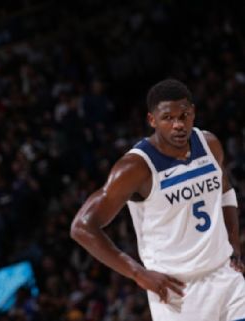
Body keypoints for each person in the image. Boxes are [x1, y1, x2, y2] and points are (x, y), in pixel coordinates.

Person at [70, 79, 245, 320]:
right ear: (152, 120)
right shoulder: (135, 167)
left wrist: (234, 241)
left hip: (226, 277)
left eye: (184, 115)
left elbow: (225, 191)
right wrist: (137, 274)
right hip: (178, 291)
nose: (178, 125)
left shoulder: (209, 144)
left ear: (193, 113)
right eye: (168, 118)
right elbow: (82, 227)